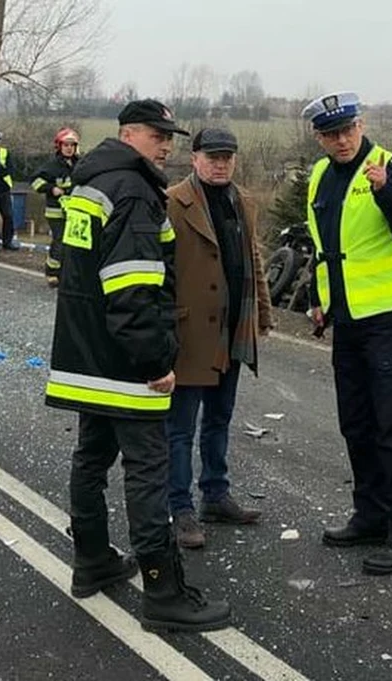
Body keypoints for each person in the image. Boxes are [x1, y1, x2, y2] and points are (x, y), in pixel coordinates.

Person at [45, 99, 230, 632]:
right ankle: (163, 593)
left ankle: (93, 560)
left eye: (170, 136)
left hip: (84, 354)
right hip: (125, 361)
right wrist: (156, 361)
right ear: (128, 134)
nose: (166, 144)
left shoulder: (90, 182)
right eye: (157, 135)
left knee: (91, 458)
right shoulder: (133, 192)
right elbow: (133, 288)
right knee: (148, 472)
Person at [301, 91, 392, 576]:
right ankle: (371, 515)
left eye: (348, 129)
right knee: (356, 424)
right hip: (347, 320)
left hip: (391, 319)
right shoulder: (319, 176)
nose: (341, 140)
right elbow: (327, 247)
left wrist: (387, 192)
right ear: (318, 137)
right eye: (330, 134)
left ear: (361, 124)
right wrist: (319, 300)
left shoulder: (390, 167)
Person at [163, 128, 273, 549]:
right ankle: (180, 507)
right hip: (189, 331)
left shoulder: (242, 201)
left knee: (219, 418)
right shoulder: (173, 201)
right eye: (212, 156)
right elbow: (161, 268)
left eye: (227, 156)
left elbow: (254, 257)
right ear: (195, 159)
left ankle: (214, 493)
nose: (221, 163)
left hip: (231, 329)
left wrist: (262, 310)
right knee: (180, 427)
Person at [31, 127, 80, 286]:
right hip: (56, 211)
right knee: (60, 241)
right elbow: (35, 181)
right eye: (66, 145)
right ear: (59, 146)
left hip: (74, 211)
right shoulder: (52, 165)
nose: (69, 148)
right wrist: (51, 189)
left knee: (72, 243)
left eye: (72, 145)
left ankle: (67, 272)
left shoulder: (80, 164)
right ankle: (52, 272)